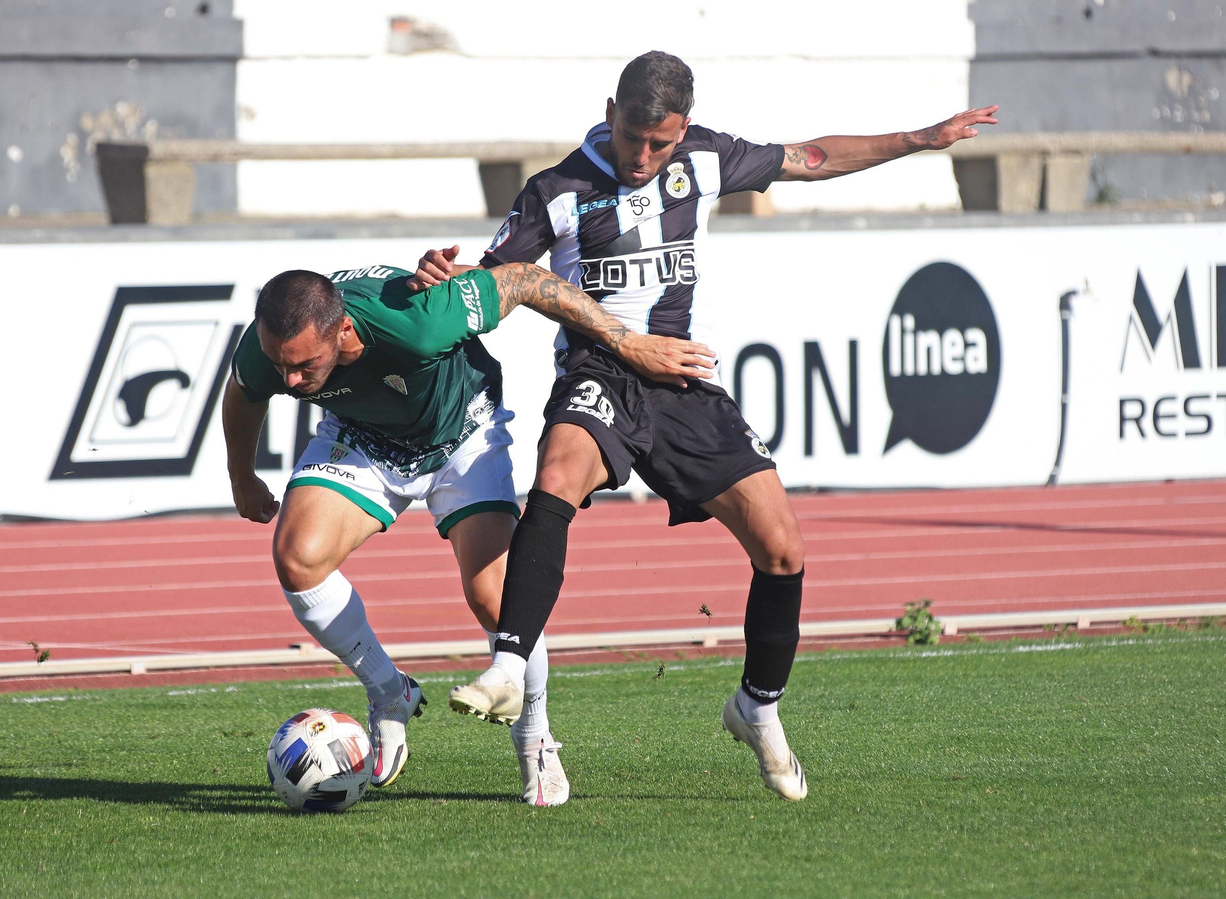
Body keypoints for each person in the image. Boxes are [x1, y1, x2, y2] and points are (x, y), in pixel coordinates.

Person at [410, 50, 997, 801]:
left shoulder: (707, 159)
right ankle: (509, 664)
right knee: (556, 473)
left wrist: (919, 138)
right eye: (632, 138)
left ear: (682, 129)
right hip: (603, 374)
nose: (644, 157)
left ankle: (756, 706)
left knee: (782, 547)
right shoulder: (557, 190)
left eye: (660, 143)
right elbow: (498, 280)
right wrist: (442, 277)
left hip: (685, 381)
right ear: (610, 111)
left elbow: (810, 158)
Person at [222, 261, 711, 805]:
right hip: (363, 440)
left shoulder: (418, 319)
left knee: (496, 598)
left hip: (463, 435)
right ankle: (389, 693)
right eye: (279, 365)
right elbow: (244, 393)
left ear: (343, 330)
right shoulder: (270, 345)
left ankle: (536, 735)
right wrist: (241, 476)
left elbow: (526, 280)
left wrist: (629, 342)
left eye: (303, 366)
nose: (290, 381)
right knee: (297, 558)